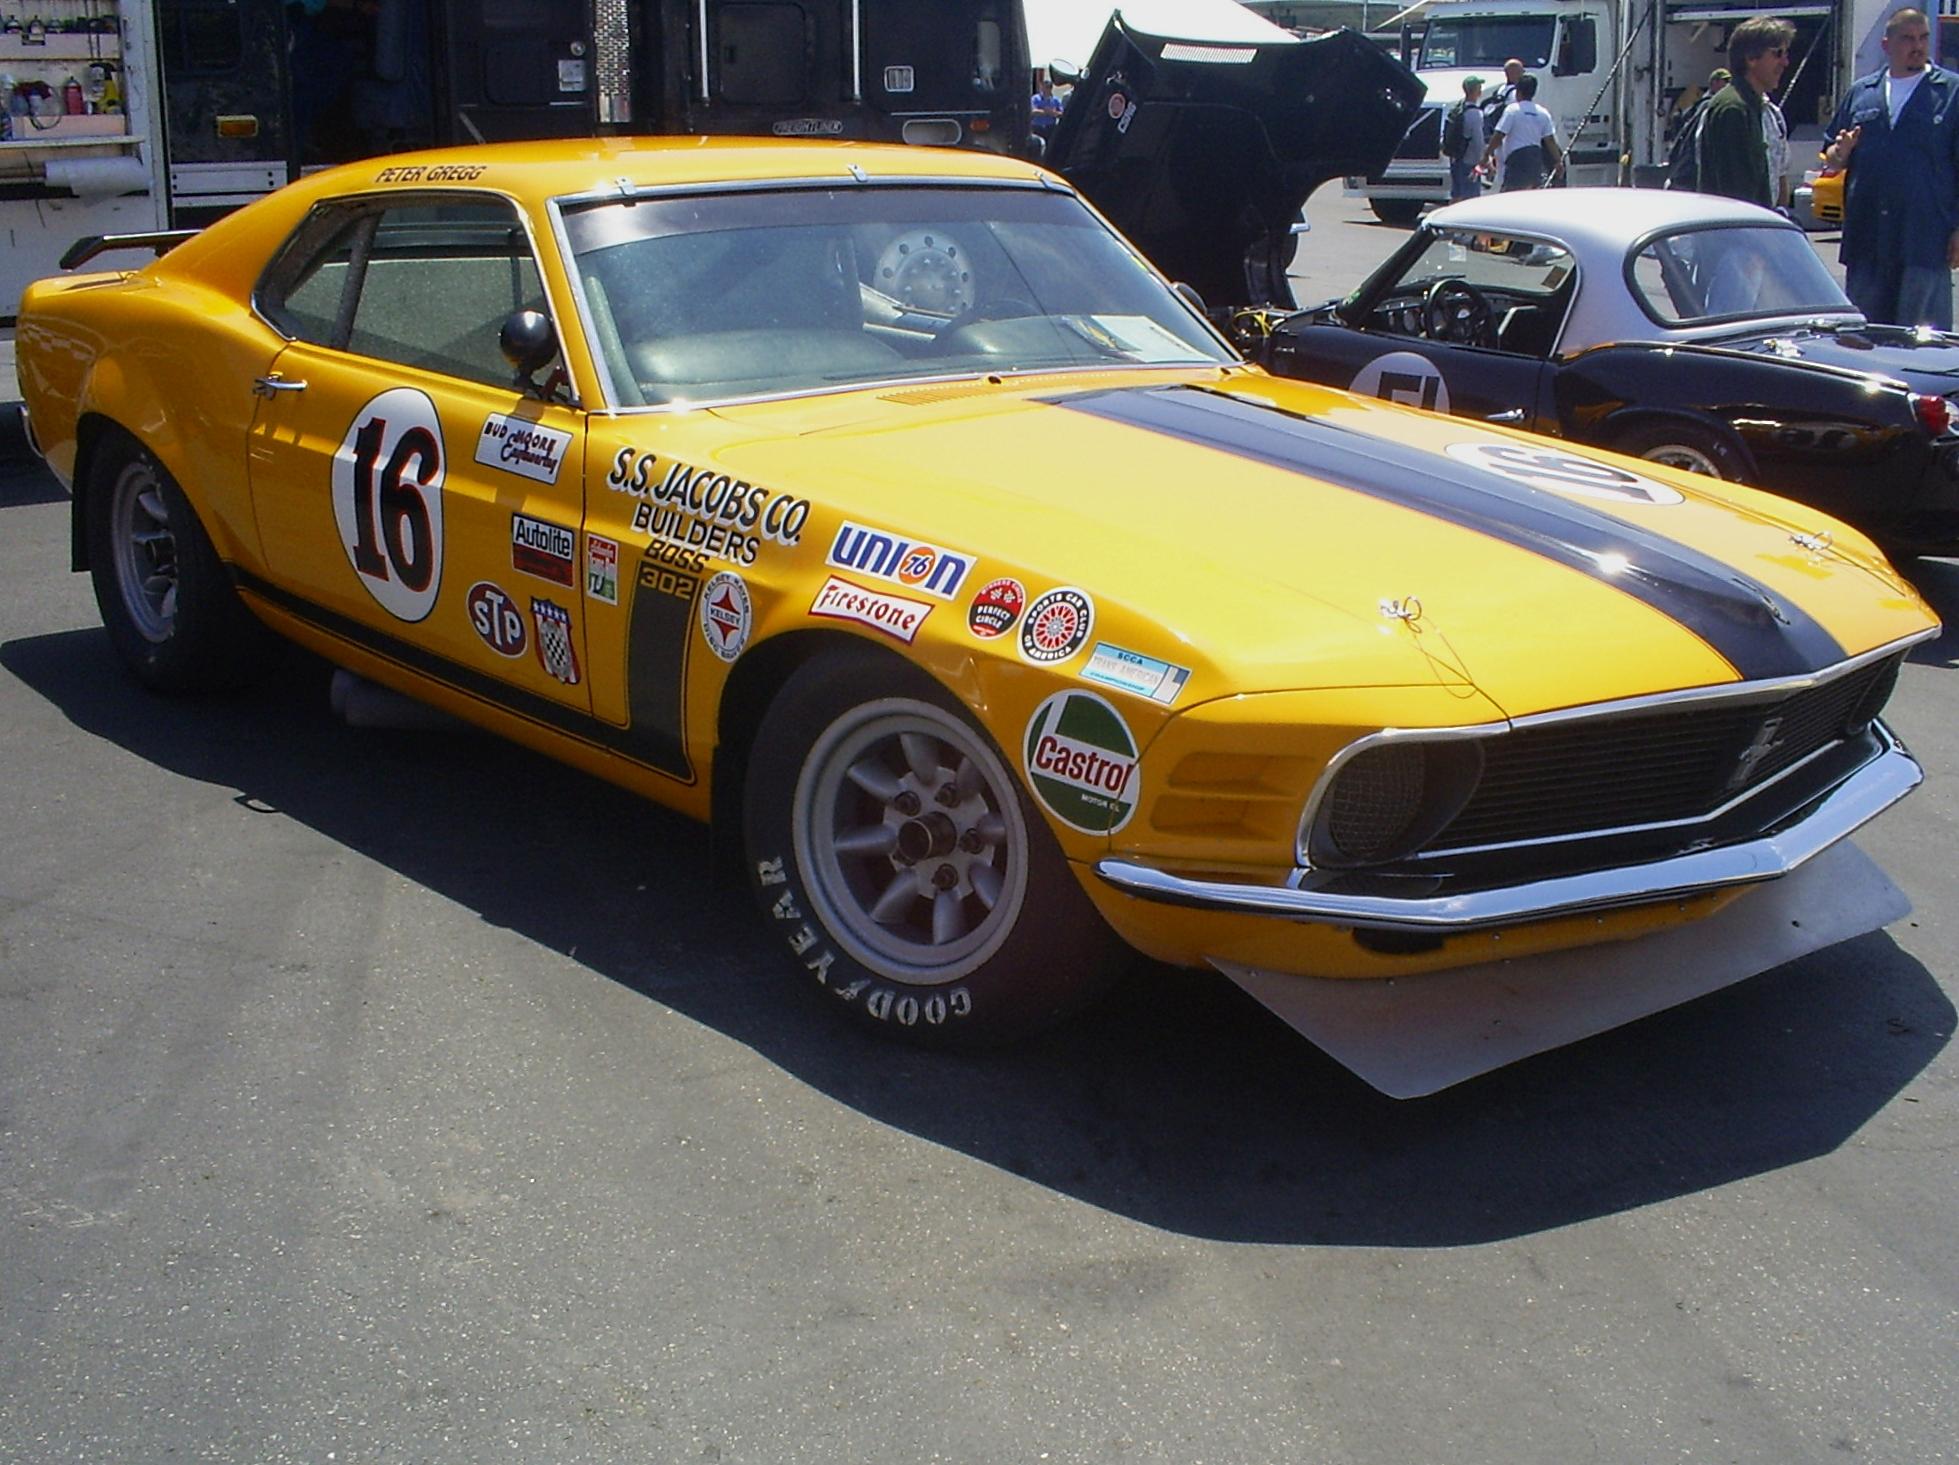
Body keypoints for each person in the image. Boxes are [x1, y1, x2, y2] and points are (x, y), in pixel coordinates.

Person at [1822, 8, 1959, 328]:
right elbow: (1831, 154)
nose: (1918, 46)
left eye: (1923, 37)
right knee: (1866, 338)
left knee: (1923, 343)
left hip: (1924, 240)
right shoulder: (1862, 93)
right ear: (1886, 45)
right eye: (1907, 38)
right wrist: (1839, 153)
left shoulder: (1950, 92)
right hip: (1868, 240)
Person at [1697, 16, 1793, 206]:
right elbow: (1737, 196)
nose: (1785, 62)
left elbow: (1778, 175)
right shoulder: (1733, 109)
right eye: (1777, 54)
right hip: (1738, 230)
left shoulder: (1765, 111)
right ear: (1751, 58)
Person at [1480, 73, 1561, 191]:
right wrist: (1558, 161)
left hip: (1517, 158)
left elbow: (1499, 134)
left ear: (1518, 91)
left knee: (1511, 193)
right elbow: (1550, 140)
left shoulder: (1512, 110)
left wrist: (1487, 154)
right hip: (1535, 156)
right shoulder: (1543, 112)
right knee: (1530, 191)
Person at [1448, 76, 1488, 200]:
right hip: (1470, 161)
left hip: (1456, 158)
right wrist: (1482, 161)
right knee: (1470, 198)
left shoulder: (1457, 109)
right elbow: (1478, 141)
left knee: (1456, 195)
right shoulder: (1475, 114)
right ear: (1476, 91)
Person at [1030, 72, 1064, 139]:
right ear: (1042, 87)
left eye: (1049, 87)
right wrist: (1047, 112)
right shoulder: (1035, 98)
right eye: (1046, 87)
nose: (1047, 89)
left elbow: (1061, 114)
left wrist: (1053, 113)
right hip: (1037, 127)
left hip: (1050, 127)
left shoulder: (1056, 100)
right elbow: (1032, 111)